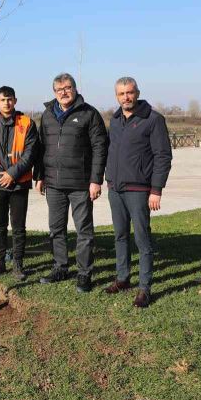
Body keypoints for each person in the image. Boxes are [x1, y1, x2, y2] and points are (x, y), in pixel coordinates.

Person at [35, 73, 107, 292]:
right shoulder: (47, 115)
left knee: (84, 231)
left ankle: (84, 274)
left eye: (67, 88)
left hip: (80, 184)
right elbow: (41, 148)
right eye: (59, 89)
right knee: (56, 229)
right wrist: (39, 176)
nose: (64, 92)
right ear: (54, 92)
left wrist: (95, 180)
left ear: (75, 89)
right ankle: (60, 267)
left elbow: (99, 148)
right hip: (54, 184)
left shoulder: (89, 114)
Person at [104, 76, 172, 308]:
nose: (126, 97)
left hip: (139, 190)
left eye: (130, 92)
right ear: (117, 96)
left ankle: (145, 288)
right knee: (120, 236)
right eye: (122, 94)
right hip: (116, 189)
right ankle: (123, 278)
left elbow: (163, 156)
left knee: (142, 239)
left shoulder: (152, 119)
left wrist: (156, 190)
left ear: (138, 92)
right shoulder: (114, 120)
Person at [0, 86, 37, 281]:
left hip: (19, 183)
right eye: (3, 99)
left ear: (15, 100)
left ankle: (18, 266)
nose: (6, 103)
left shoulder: (27, 123)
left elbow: (30, 154)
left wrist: (12, 174)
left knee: (19, 227)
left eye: (10, 99)